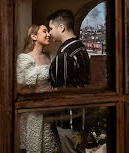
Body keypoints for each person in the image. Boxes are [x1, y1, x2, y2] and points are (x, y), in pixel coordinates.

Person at [47, 9, 91, 153]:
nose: (50, 32)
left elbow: (61, 93)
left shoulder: (65, 54)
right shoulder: (80, 47)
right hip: (81, 118)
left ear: (62, 27)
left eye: (51, 28)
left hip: (69, 121)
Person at [16, 24, 59, 153]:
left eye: (48, 31)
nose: (48, 34)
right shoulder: (24, 59)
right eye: (44, 31)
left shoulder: (50, 56)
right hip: (33, 112)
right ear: (34, 36)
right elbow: (21, 87)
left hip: (51, 110)